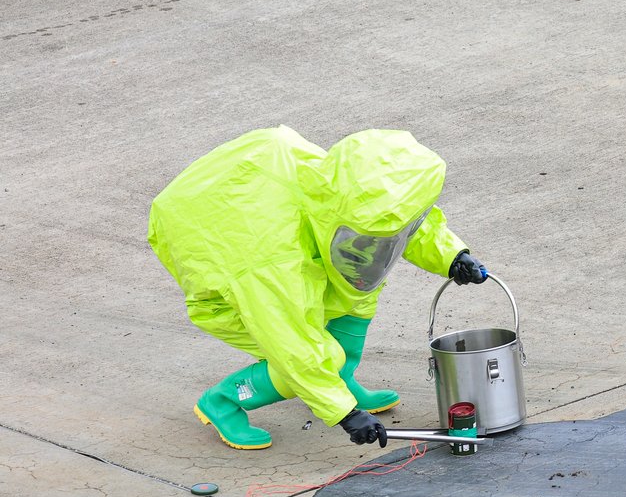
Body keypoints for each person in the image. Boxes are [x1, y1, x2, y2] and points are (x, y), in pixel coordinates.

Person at [148, 126, 489, 450]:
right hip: (220, 256)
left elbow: (398, 221)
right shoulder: (273, 266)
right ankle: (221, 401)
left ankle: (340, 379)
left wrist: (452, 255)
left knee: (360, 288)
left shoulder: (344, 191)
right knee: (303, 353)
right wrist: (344, 412)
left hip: (262, 191)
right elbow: (293, 344)